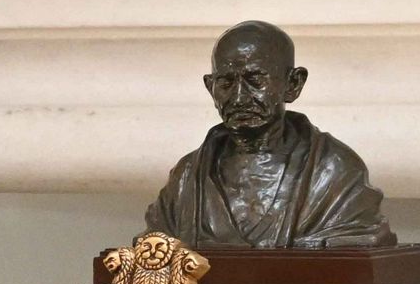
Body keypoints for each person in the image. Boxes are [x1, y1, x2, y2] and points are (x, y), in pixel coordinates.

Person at [143, 19, 393, 249]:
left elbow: (359, 242)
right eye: (226, 83)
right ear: (210, 87)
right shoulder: (186, 179)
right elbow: (152, 251)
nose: (239, 98)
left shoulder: (335, 173)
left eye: (255, 80)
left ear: (293, 84)